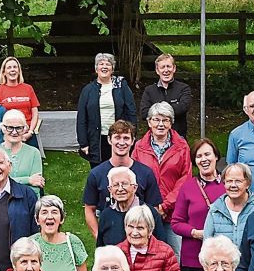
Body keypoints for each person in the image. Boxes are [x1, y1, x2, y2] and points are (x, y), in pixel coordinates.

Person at [171, 139, 227, 271]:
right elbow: (176, 222)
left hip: (222, 256)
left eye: (207, 154)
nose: (204, 159)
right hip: (194, 257)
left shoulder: (227, 185)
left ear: (216, 156)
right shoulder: (188, 187)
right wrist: (196, 233)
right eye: (199, 156)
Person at [81, 121, 163, 239]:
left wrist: (148, 239)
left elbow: (154, 210)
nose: (122, 142)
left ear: (132, 141)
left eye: (126, 138)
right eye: (117, 137)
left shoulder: (146, 173)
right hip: (110, 238)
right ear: (109, 140)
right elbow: (89, 209)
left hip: (139, 238)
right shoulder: (96, 174)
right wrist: (99, 237)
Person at [132, 102, 190, 254]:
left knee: (174, 255)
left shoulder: (182, 146)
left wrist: (165, 206)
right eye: (156, 119)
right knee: (146, 255)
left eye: (165, 120)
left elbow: (185, 178)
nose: (161, 124)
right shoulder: (139, 147)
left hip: (174, 212)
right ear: (149, 122)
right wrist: (151, 208)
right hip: (146, 212)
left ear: (171, 123)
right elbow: (134, 177)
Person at [76, 53, 137, 167]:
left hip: (118, 137)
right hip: (96, 139)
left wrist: (132, 135)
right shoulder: (88, 90)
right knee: (98, 172)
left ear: (112, 69)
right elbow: (82, 118)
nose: (104, 67)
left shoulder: (121, 86)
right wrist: (83, 143)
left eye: (108, 64)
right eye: (101, 64)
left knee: (119, 170)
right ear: (96, 69)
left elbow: (131, 111)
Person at [96, 167, 169, 248]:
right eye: (116, 185)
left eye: (124, 184)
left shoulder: (149, 213)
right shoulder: (106, 215)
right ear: (110, 189)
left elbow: (162, 247)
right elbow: (101, 248)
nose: (120, 189)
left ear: (135, 188)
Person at [202, 163, 254, 247]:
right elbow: (206, 246)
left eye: (238, 181)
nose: (233, 185)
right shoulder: (215, 210)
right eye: (229, 181)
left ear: (247, 184)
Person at [0, 57, 42, 148]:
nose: (12, 70)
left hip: (27, 133)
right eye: (9, 67)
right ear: (4, 72)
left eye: (15, 67)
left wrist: (30, 132)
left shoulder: (28, 88)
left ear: (19, 71)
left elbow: (35, 113)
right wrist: (9, 133)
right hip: (8, 134)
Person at [138, 54, 193, 137]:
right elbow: (144, 113)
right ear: (157, 70)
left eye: (168, 66)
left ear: (174, 68)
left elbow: (183, 107)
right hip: (155, 138)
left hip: (178, 137)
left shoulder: (184, 88)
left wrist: (156, 110)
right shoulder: (149, 91)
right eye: (162, 67)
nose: (166, 70)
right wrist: (173, 107)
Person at [0, 110, 44, 189]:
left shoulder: (34, 152)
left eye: (18, 128)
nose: (14, 132)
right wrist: (28, 180)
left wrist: (5, 181)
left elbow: (36, 184)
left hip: (28, 196)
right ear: (3, 129)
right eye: (10, 128)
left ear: (24, 129)